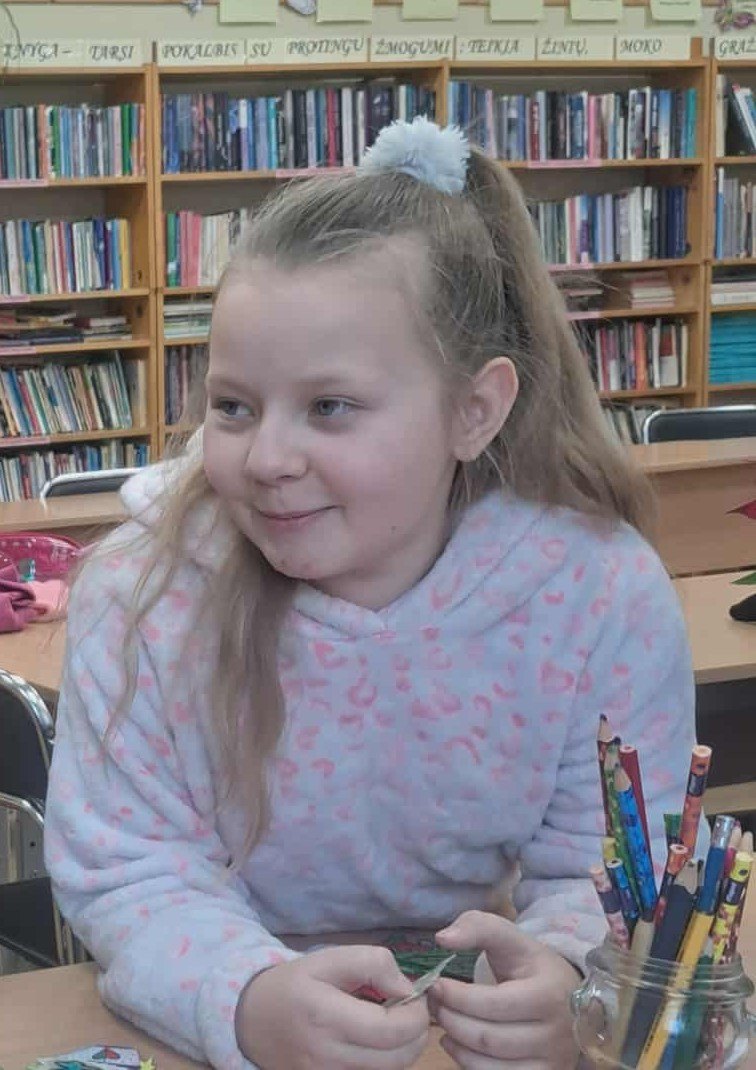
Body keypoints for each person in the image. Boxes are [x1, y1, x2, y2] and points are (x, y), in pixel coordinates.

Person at [45, 117, 696, 1070]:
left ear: (474, 411)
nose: (267, 458)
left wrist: (574, 980)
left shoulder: (599, 592)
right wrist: (246, 999)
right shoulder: (139, 593)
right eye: (233, 406)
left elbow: (614, 867)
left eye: (330, 407)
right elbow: (128, 872)